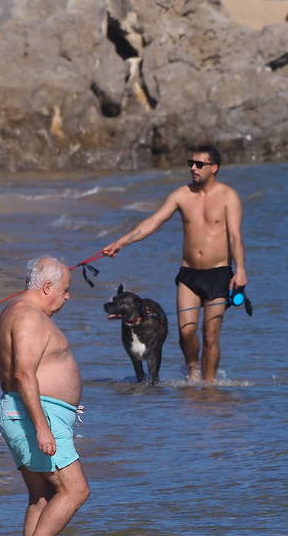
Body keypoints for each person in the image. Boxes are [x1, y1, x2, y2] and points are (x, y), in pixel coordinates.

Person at [101, 144, 247, 383]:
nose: (193, 168)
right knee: (186, 331)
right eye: (190, 163)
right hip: (189, 275)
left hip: (219, 274)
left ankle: (209, 387)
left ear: (214, 168)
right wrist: (122, 242)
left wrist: (240, 270)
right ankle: (193, 372)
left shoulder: (229, 197)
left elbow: (235, 237)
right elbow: (153, 221)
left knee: (211, 335)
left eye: (199, 164)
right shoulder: (182, 195)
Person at [0, 257, 89, 536]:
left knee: (42, 496)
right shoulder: (28, 316)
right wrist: (43, 426)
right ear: (47, 288)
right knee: (75, 490)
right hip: (34, 415)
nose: (67, 298)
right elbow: (23, 374)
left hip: (31, 411)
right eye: (65, 291)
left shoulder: (19, 312)